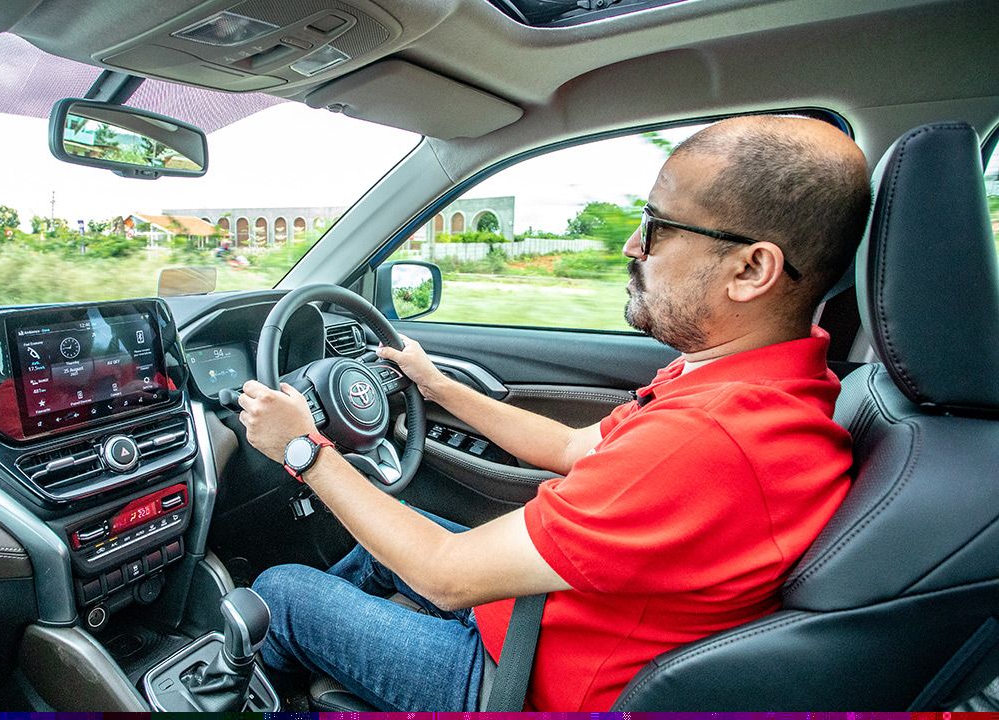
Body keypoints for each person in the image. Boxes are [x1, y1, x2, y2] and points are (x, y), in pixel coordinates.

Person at [236, 115, 872, 711]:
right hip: (545, 614)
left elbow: (445, 577)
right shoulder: (753, 385)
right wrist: (438, 387)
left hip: (517, 681)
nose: (631, 245)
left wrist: (303, 451)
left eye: (656, 226)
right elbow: (574, 449)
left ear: (751, 268)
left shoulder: (706, 441)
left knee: (284, 592)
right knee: (378, 545)